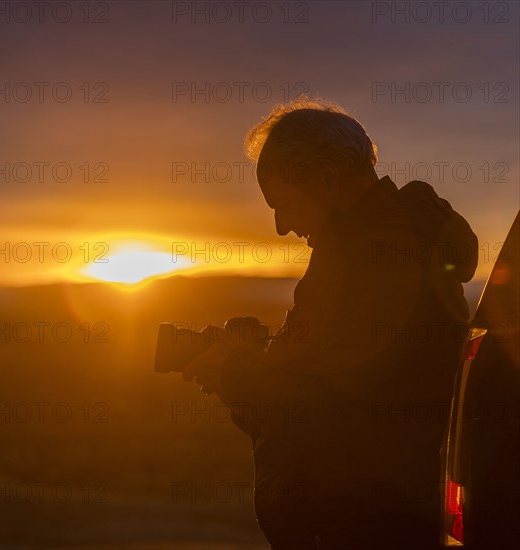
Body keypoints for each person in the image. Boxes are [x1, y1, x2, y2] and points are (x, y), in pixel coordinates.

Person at [182, 99, 478, 549]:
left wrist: (235, 371)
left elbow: (337, 419)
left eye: (282, 204)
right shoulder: (377, 247)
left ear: (325, 178)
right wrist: (249, 367)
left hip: (366, 526)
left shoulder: (378, 261)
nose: (282, 227)